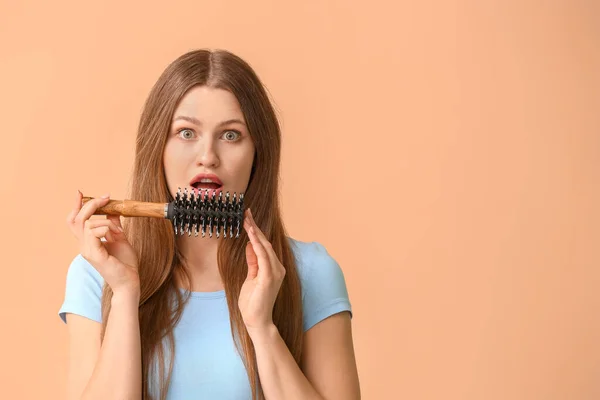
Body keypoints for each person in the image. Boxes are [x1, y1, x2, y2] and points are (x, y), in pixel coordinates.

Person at [59, 49, 360, 400]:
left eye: (231, 135)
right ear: (158, 146)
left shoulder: (310, 273)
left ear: (257, 154)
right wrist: (125, 294)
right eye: (187, 133)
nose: (208, 156)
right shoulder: (97, 274)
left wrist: (263, 331)